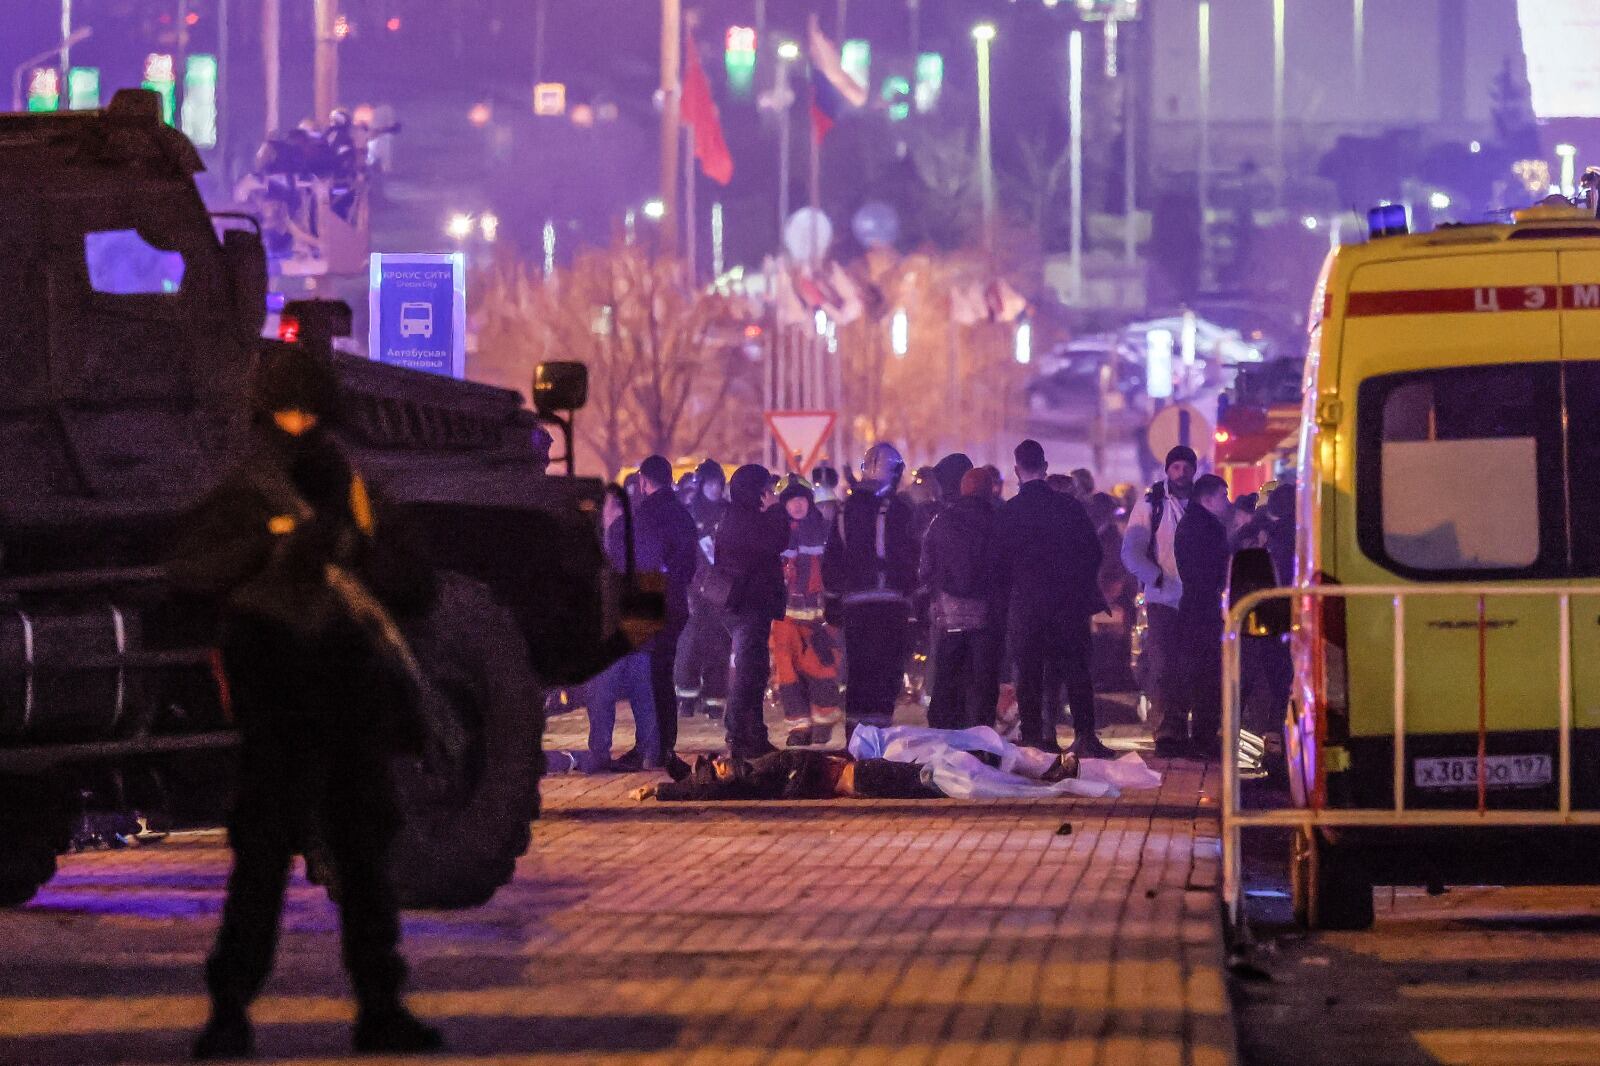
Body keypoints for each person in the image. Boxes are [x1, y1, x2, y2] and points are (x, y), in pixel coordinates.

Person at [169, 344, 442, 1059]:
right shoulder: (248, 489)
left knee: (361, 857)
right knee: (264, 860)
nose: (298, 424)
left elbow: (417, 581)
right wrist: (274, 548)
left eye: (306, 411)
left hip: (344, 692)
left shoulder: (354, 487)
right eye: (289, 411)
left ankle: (379, 1007)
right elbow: (193, 569)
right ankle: (231, 1010)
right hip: (281, 692)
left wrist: (354, 553)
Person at [995, 440, 1114, 758]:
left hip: (1027, 606)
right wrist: (1077, 588)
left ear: (1017, 470)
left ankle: (1034, 737)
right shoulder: (1070, 508)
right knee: (1077, 671)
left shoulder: (1009, 512)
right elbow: (1093, 552)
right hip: (1068, 606)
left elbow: (999, 563)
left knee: (1029, 673)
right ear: (1045, 469)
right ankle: (1085, 736)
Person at [824, 443, 919, 735]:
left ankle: (856, 739)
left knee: (859, 673)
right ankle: (879, 740)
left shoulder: (843, 510)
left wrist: (831, 603)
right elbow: (910, 556)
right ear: (893, 471)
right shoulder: (899, 509)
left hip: (853, 605)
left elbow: (832, 559)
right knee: (886, 673)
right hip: (889, 605)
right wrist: (913, 598)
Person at [620, 454, 700, 776]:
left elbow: (638, 560)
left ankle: (651, 747)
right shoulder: (682, 514)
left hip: (650, 603)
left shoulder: (645, 514)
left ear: (643, 479)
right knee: (663, 676)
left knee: (647, 679)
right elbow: (690, 563)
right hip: (676, 604)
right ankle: (664, 744)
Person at [1121, 446, 1197, 758]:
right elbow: (1132, 549)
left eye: (1186, 467)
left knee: (1190, 665)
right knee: (1165, 664)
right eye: (1175, 467)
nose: (1181, 473)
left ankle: (1184, 726)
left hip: (1196, 599)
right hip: (1163, 598)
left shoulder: (1201, 501)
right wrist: (1155, 578)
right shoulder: (1152, 504)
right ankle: (1166, 730)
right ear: (1168, 470)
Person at [713, 464, 790, 758]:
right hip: (746, 607)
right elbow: (776, 542)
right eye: (765, 490)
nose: (769, 495)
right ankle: (737, 736)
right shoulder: (742, 519)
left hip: (752, 605)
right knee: (747, 672)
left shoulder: (743, 517)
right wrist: (776, 510)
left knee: (756, 671)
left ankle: (754, 735)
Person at [919, 467, 1002, 730]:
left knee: (946, 677)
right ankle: (980, 739)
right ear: (989, 490)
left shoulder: (942, 520)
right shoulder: (998, 520)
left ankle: (942, 733)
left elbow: (926, 565)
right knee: (983, 683)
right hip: (987, 617)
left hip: (949, 615)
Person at [770, 476, 844, 747]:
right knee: (787, 673)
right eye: (792, 500)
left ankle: (824, 720)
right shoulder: (776, 533)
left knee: (821, 669)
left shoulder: (823, 531)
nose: (798, 505)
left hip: (817, 617)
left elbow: (832, 571)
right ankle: (798, 726)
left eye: (802, 499)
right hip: (784, 618)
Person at [1175, 473, 1234, 760]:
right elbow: (1216, 569)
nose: (1227, 501)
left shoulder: (1190, 523)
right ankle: (1203, 739)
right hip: (1204, 609)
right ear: (1208, 499)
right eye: (1223, 496)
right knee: (1207, 676)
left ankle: (1200, 736)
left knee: (1200, 675)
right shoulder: (1209, 527)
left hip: (1193, 606)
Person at [675, 459, 732, 720]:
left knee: (719, 644)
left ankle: (715, 699)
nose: (714, 488)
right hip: (694, 589)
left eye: (718, 483)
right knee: (690, 644)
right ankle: (686, 697)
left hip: (722, 589)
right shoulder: (689, 513)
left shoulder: (728, 513)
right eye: (710, 483)